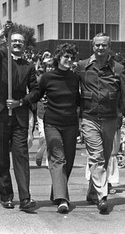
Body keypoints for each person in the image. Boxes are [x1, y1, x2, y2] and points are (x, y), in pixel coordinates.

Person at [75, 33, 125, 213]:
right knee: (97, 156)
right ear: (92, 46)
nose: (100, 48)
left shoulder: (118, 69)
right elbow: (72, 91)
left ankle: (92, 192)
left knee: (103, 156)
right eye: (97, 45)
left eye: (104, 45)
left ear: (109, 47)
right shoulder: (82, 67)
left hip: (110, 119)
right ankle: (102, 196)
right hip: (89, 118)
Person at [0, 22, 39, 210]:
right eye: (13, 41)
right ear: (8, 42)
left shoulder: (29, 67)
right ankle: (6, 196)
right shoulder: (1, 58)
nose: (17, 44)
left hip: (19, 116)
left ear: (25, 45)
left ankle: (25, 198)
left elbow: (35, 91)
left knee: (21, 157)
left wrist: (20, 102)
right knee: (2, 158)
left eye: (20, 42)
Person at [32, 43, 80, 213]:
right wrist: (20, 101)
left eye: (71, 57)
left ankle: (56, 192)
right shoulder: (47, 77)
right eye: (66, 56)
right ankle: (63, 199)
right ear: (58, 57)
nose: (69, 59)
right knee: (57, 159)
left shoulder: (75, 78)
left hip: (71, 124)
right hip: (52, 122)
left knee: (69, 161)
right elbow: (36, 95)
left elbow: (79, 100)